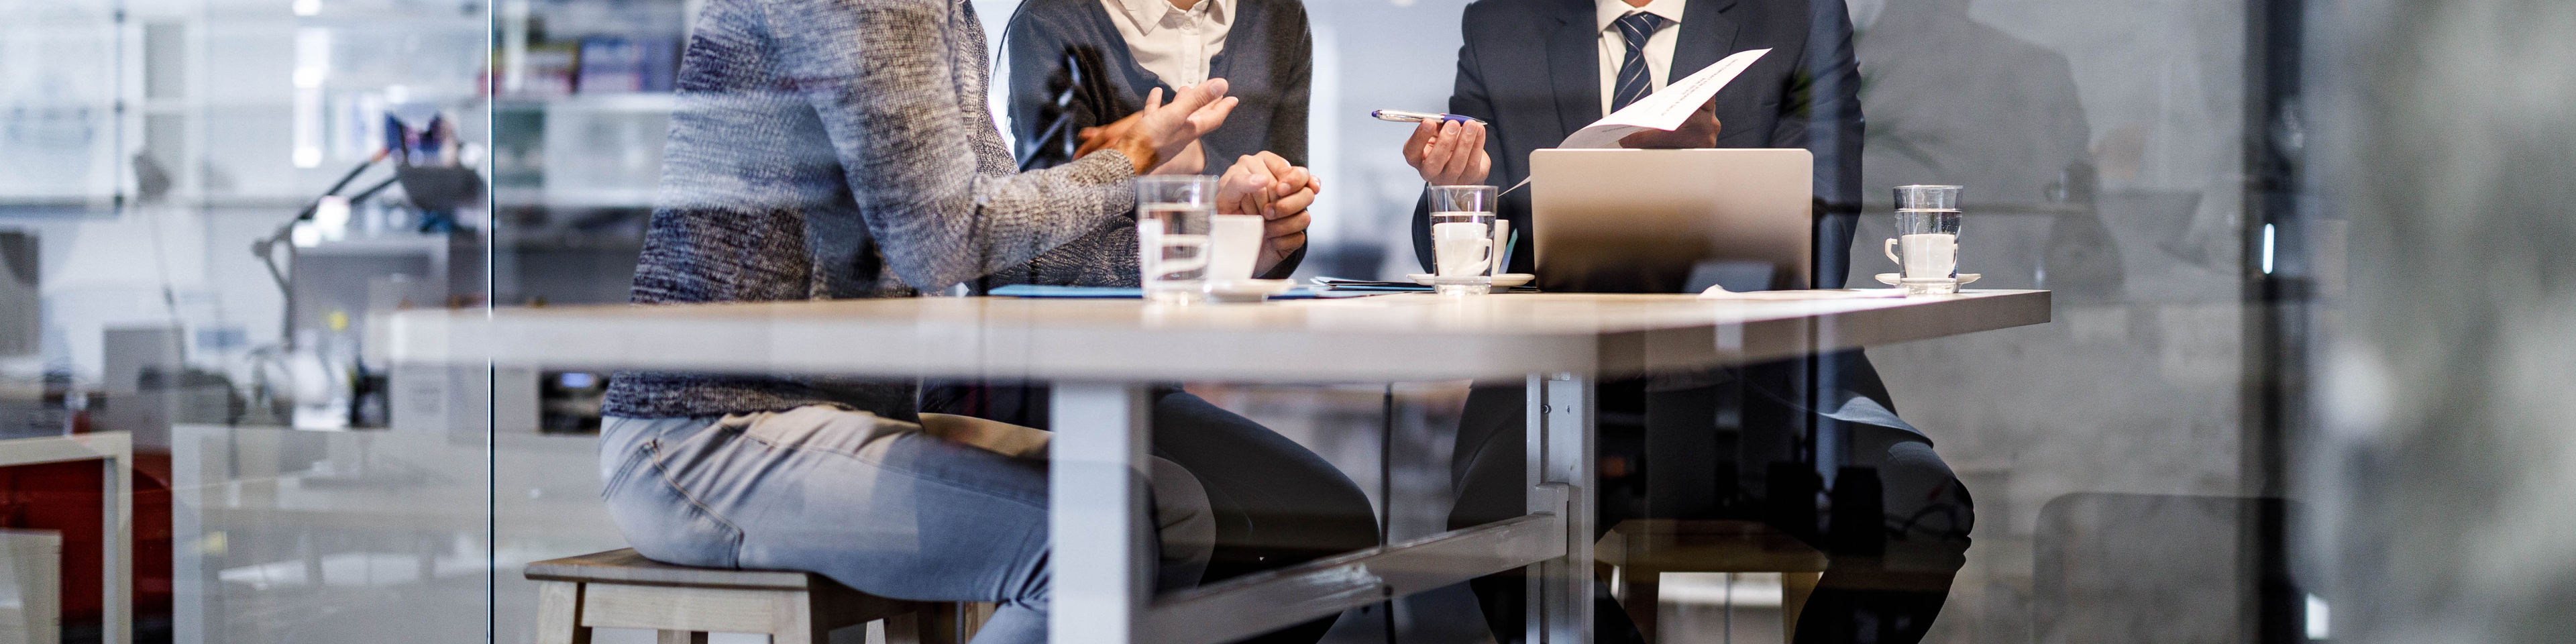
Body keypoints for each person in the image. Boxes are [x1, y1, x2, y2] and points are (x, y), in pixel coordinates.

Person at [592, 0, 1284, 641]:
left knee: (1174, 511)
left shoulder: (947, 13)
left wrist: (1204, 248)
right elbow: (943, 240)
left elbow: (999, 250)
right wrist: (1121, 164)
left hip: (836, 420)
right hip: (708, 434)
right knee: (1099, 541)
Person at [1399, 0, 1976, 643]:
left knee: (1921, 504)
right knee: (1498, 525)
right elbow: (1458, 260)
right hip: (1570, 393)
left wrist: (1697, 180)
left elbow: (1822, 248)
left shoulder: (1793, 17)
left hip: (1767, 389)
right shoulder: (1501, 23)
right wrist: (1463, 191)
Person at [924, 7, 1382, 644]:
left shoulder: (1275, 19)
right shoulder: (1035, 23)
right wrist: (1140, 168)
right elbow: (1005, 247)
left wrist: (1255, 237)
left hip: (1137, 380)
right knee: (1213, 524)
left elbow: (996, 232)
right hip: (1017, 376)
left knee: (1332, 528)